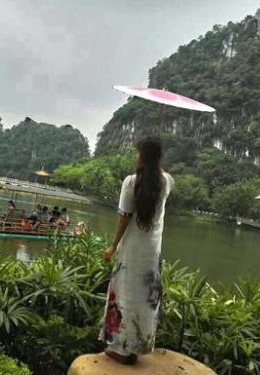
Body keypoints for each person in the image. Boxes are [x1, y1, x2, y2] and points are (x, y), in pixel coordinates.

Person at [99, 138, 172, 365]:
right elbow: (159, 177)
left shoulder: (131, 183)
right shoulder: (166, 181)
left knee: (124, 293)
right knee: (143, 297)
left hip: (132, 249)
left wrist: (112, 246)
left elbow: (124, 218)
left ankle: (120, 349)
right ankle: (137, 346)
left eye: (138, 153)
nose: (135, 157)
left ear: (142, 157)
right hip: (151, 251)